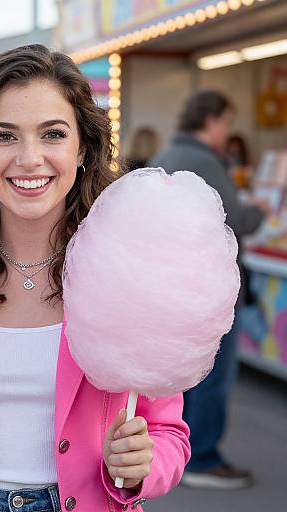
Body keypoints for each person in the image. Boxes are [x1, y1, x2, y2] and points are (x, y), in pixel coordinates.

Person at [0, 45, 190, 512]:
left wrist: (145, 462)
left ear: (82, 148)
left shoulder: (127, 268)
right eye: (5, 136)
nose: (29, 158)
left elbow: (168, 432)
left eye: (52, 134)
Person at [150, 90, 268, 490]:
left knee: (187, 379)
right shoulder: (205, 162)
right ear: (211, 120)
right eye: (226, 122)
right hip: (209, 291)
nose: (228, 131)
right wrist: (261, 209)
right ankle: (203, 456)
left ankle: (181, 450)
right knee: (214, 377)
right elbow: (234, 221)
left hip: (175, 286)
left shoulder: (167, 156)